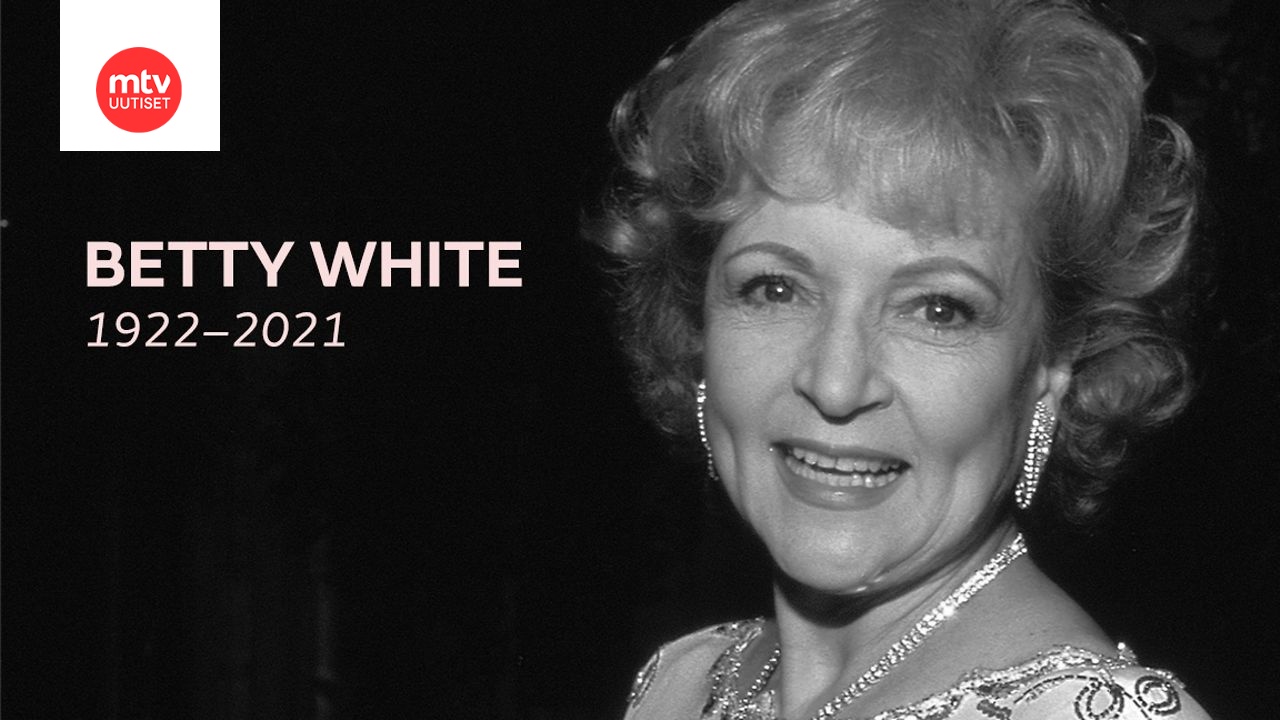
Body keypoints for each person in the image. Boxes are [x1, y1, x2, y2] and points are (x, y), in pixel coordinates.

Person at [592, 0, 1212, 718]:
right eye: (776, 288)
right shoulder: (682, 681)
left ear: (1052, 365)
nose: (835, 383)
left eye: (938, 309)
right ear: (699, 320)